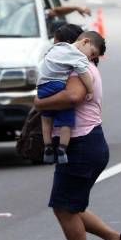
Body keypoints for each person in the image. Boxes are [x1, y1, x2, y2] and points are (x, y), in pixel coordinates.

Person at [34, 30, 121, 240]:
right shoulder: (76, 65)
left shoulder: (80, 68)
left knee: (64, 207)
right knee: (70, 206)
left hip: (82, 144)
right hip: (87, 144)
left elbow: (73, 96)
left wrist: (39, 103)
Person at [37, 32, 99, 165]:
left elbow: (43, 61)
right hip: (57, 85)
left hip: (41, 86)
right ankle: (62, 149)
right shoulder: (77, 55)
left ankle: (47, 146)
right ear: (85, 42)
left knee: (46, 118)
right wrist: (90, 90)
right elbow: (83, 74)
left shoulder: (58, 47)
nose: (90, 58)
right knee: (66, 120)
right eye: (92, 53)